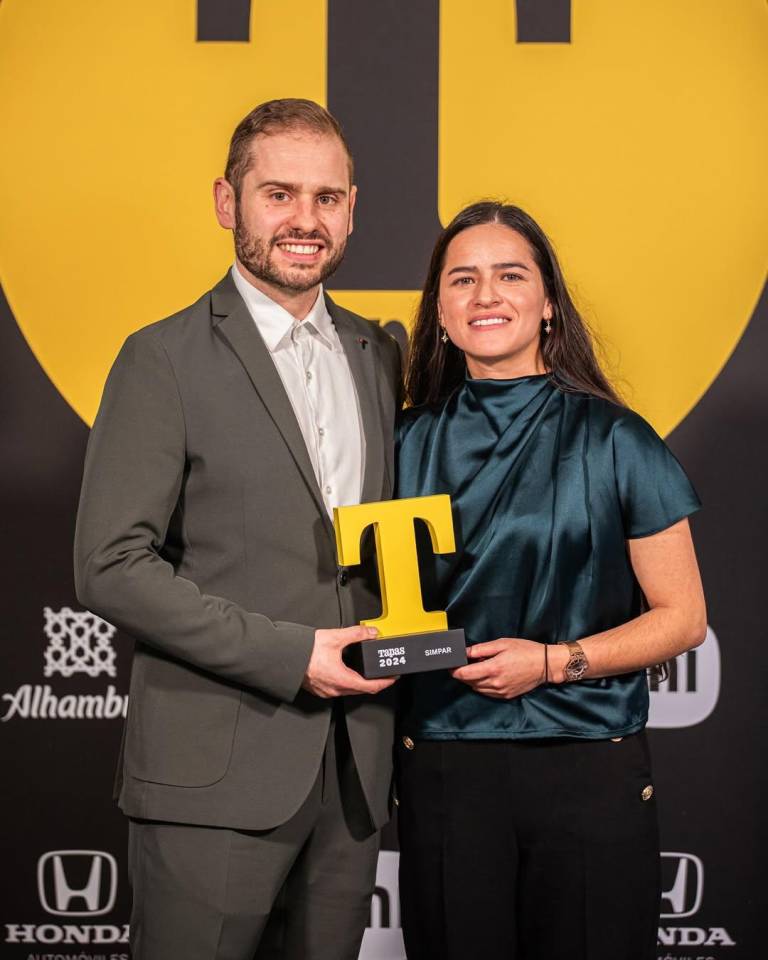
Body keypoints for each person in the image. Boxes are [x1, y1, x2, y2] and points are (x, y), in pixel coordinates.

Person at [74, 99, 401, 960]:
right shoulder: (162, 358)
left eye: (327, 198)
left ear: (353, 207)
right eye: (279, 194)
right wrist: (294, 654)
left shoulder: (382, 354)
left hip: (353, 778)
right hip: (208, 780)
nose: (305, 220)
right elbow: (110, 566)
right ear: (228, 201)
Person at [395, 201, 706, 960]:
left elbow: (683, 617)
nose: (485, 295)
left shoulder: (616, 438)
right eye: (462, 279)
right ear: (439, 312)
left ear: (547, 306)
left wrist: (549, 662)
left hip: (588, 767)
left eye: (510, 275)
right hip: (446, 768)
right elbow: (377, 615)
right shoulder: (400, 443)